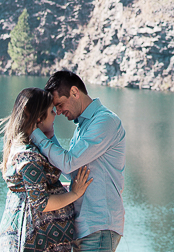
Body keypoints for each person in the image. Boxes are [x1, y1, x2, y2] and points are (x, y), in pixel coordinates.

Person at [30, 70, 126, 252]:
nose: (58, 112)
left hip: (99, 227)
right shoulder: (84, 125)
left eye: (59, 104)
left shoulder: (105, 122)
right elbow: (71, 169)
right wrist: (49, 136)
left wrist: (34, 132)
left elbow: (68, 163)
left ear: (74, 92)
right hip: (85, 227)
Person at [0, 87, 93, 252]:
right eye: (51, 111)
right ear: (38, 117)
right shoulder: (28, 156)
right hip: (34, 242)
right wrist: (75, 194)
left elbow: (38, 187)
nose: (55, 114)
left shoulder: (29, 148)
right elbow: (41, 203)